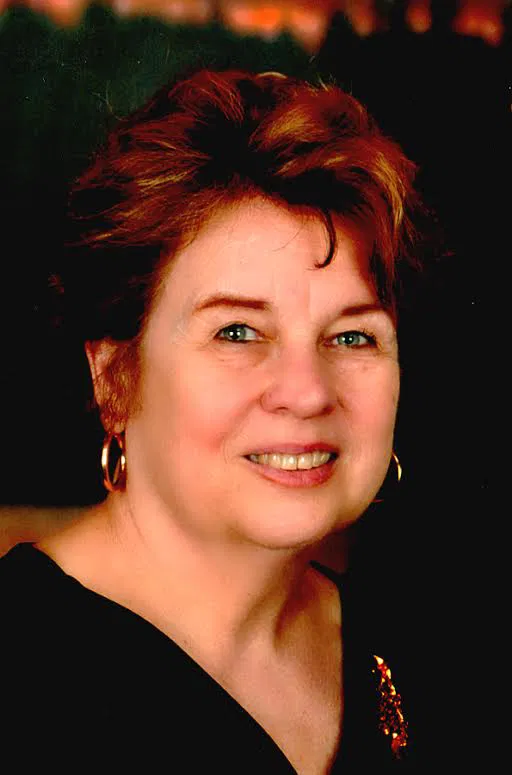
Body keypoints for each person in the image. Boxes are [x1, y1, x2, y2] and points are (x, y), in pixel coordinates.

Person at [0, 69, 423, 772]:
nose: (306, 393)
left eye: (353, 336)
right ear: (115, 376)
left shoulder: (422, 647)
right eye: (237, 332)